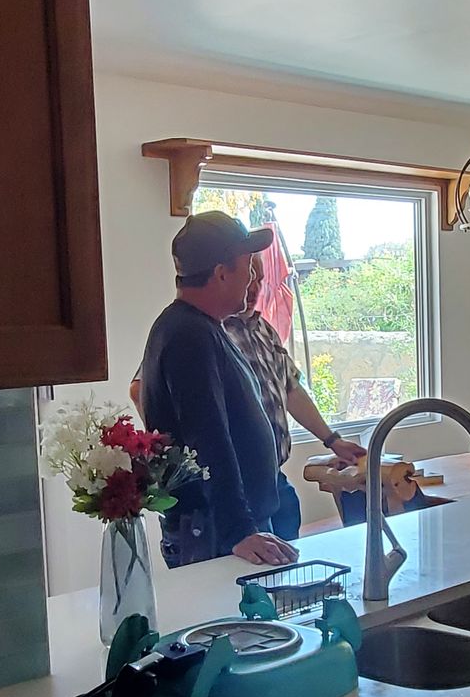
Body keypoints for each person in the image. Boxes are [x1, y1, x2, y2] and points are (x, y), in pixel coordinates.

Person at [133, 251, 366, 541]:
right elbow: (142, 390)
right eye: (249, 274)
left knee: (285, 570)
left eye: (260, 278)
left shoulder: (263, 330)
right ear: (223, 274)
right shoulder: (199, 331)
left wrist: (332, 439)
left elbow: (290, 388)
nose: (253, 285)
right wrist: (180, 453)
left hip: (269, 482)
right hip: (228, 494)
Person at [138, 212, 300, 568]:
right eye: (247, 266)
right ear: (221, 273)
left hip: (230, 529)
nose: (254, 277)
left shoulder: (196, 328)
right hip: (218, 534)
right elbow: (206, 436)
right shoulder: (189, 337)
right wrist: (238, 529)